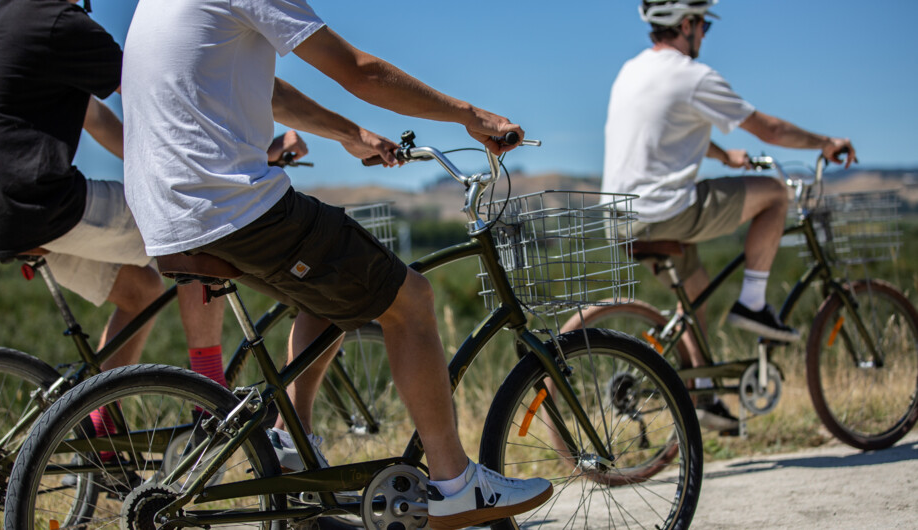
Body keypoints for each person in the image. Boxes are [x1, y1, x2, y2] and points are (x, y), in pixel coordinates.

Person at [121, 1, 552, 527]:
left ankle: (290, 444)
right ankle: (456, 483)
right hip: (231, 206)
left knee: (328, 296)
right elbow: (359, 70)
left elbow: (266, 92)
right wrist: (470, 115)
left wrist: (351, 134)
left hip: (166, 215)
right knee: (411, 300)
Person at [0, 0, 232, 437]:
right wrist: (225, 153)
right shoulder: (61, 23)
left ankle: (100, 427)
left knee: (142, 291)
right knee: (198, 229)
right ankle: (211, 399)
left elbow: (96, 119)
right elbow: (154, 90)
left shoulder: (0, 18)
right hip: (38, 204)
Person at [604, 0, 856, 430]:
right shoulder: (692, 76)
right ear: (686, 24)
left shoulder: (632, 70)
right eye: (703, 24)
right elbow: (769, 129)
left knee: (695, 295)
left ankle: (703, 395)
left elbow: (668, 129)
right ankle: (754, 303)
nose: (705, 33)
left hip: (621, 215)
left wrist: (724, 154)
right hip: (666, 211)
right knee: (775, 195)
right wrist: (825, 141)